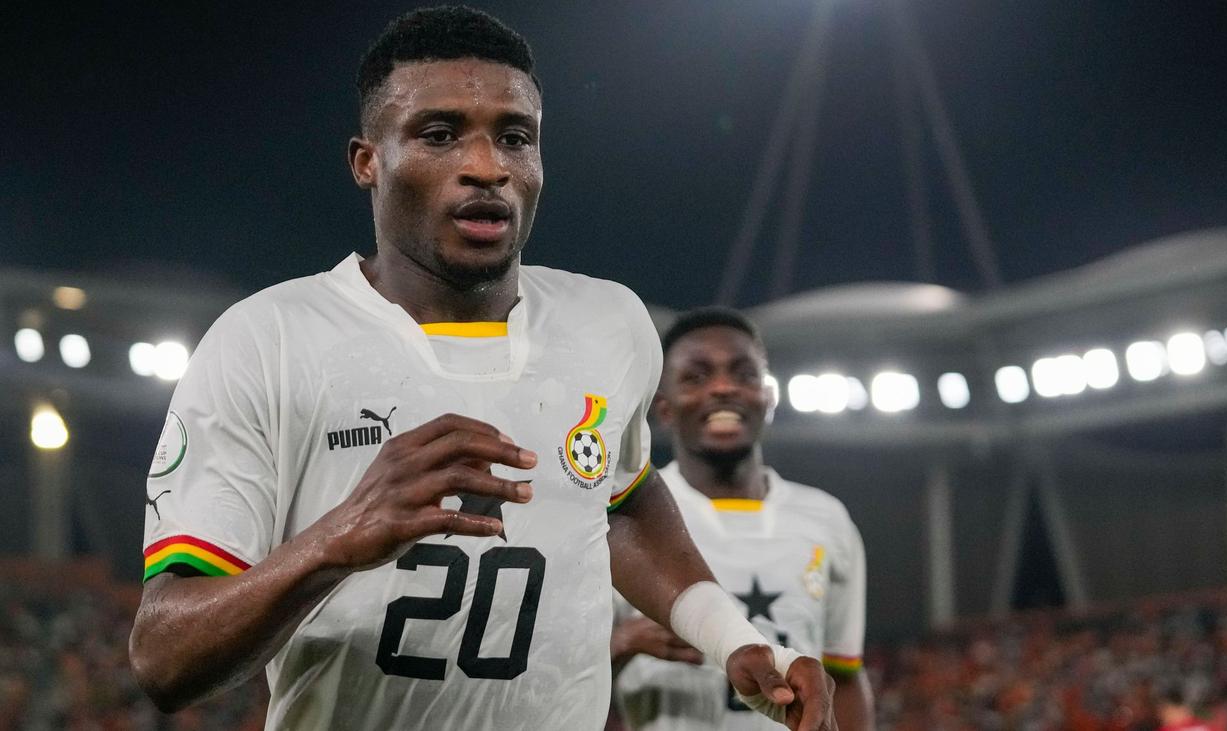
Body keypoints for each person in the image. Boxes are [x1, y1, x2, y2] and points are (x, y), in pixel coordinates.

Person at [126, 7, 835, 730]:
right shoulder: (266, 340)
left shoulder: (611, 324)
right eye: (439, 134)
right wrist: (336, 540)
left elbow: (621, 501)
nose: (488, 166)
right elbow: (164, 658)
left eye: (515, 137)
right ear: (367, 161)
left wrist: (732, 637)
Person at [611, 308, 873, 730]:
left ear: (769, 396)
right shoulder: (628, 514)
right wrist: (620, 645)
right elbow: (564, 675)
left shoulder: (827, 519)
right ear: (663, 407)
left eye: (744, 374)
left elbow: (843, 677)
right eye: (696, 377)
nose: (723, 388)